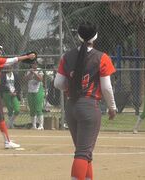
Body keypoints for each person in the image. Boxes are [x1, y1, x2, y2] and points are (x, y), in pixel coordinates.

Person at [54, 21, 116, 180]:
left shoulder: (66, 56)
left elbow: (58, 84)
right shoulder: (101, 57)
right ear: (95, 37)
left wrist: (73, 85)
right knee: (82, 153)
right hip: (89, 106)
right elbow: (107, 88)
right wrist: (112, 107)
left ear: (78, 36)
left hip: (71, 106)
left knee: (84, 151)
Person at [24, 60, 45, 130]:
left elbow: (40, 79)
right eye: (33, 64)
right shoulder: (28, 71)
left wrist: (34, 73)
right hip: (30, 91)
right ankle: (34, 125)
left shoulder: (39, 70)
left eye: (36, 64)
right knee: (32, 109)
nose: (34, 65)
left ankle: (41, 125)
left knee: (38, 108)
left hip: (38, 91)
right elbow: (25, 79)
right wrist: (30, 73)